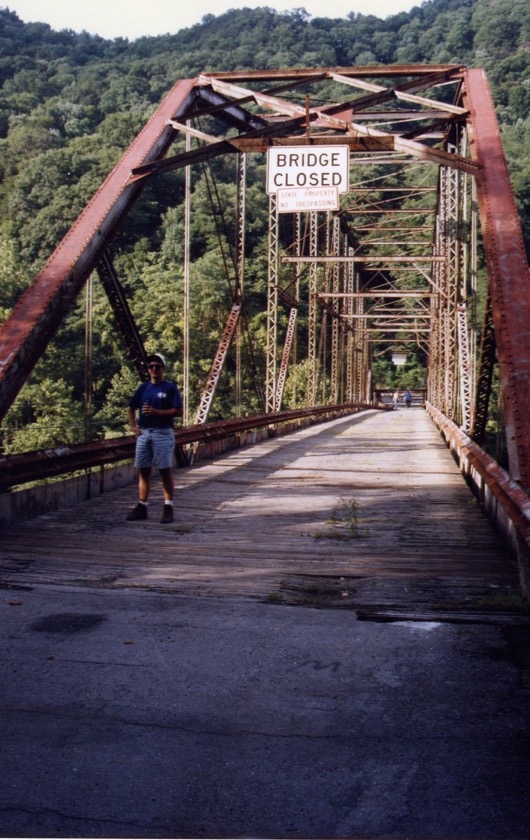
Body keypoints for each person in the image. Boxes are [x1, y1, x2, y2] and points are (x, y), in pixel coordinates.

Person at [126, 353, 183, 524]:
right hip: (144, 433)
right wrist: (132, 426)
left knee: (165, 470)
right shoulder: (143, 387)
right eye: (151, 366)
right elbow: (131, 406)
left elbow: (179, 411)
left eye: (157, 366)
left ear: (163, 368)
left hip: (163, 433)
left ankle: (168, 507)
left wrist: (157, 412)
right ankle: (142, 506)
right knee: (143, 471)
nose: (154, 369)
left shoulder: (170, 388)